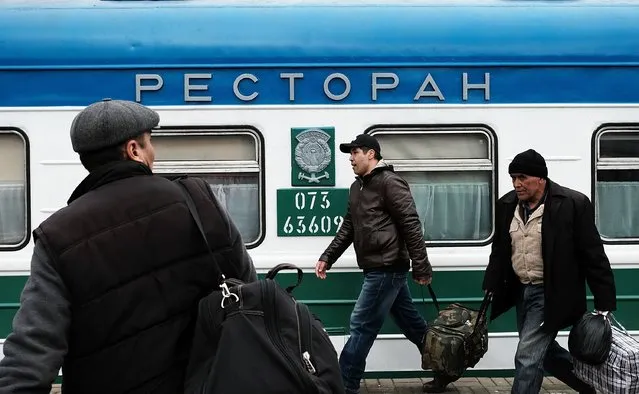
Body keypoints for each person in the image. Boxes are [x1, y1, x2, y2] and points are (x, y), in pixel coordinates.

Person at [0, 99, 257, 394]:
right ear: (134, 150)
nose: (154, 153)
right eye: (150, 144)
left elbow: (31, 356)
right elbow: (249, 290)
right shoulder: (198, 202)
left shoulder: (57, 236)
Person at [314, 133, 443, 394]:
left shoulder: (390, 183)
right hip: (376, 267)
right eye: (350, 153)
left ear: (371, 154)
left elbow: (411, 225)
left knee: (361, 324)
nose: (350, 158)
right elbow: (348, 228)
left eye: (355, 152)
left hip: (388, 267)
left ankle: (344, 384)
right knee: (411, 323)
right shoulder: (357, 187)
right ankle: (446, 367)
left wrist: (421, 267)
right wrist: (327, 257)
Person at [482, 149, 617, 394]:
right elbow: (500, 249)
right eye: (513, 178)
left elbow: (593, 254)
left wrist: (604, 300)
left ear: (541, 178)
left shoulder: (572, 204)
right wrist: (491, 281)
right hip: (523, 291)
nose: (516, 184)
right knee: (543, 351)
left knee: (527, 356)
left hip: (552, 293)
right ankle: (591, 387)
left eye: (522, 177)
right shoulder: (507, 204)